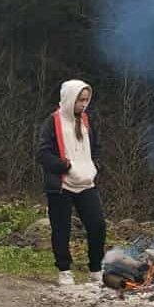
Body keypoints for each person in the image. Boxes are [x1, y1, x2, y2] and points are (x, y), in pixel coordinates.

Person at [36, 79, 106, 286]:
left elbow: (97, 147)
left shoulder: (86, 121)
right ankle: (64, 270)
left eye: (86, 100)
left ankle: (96, 269)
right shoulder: (52, 122)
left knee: (97, 225)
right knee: (61, 228)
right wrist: (65, 165)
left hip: (86, 183)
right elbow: (42, 154)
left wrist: (95, 166)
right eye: (80, 100)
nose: (83, 104)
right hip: (61, 184)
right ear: (69, 99)